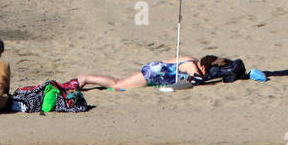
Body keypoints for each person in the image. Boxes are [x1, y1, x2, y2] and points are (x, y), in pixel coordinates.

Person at [76, 56, 210, 90]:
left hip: (155, 69)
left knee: (119, 82)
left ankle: (87, 79)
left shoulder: (192, 59)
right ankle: (85, 78)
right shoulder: (191, 65)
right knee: (118, 85)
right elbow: (196, 81)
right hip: (153, 74)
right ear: (203, 67)